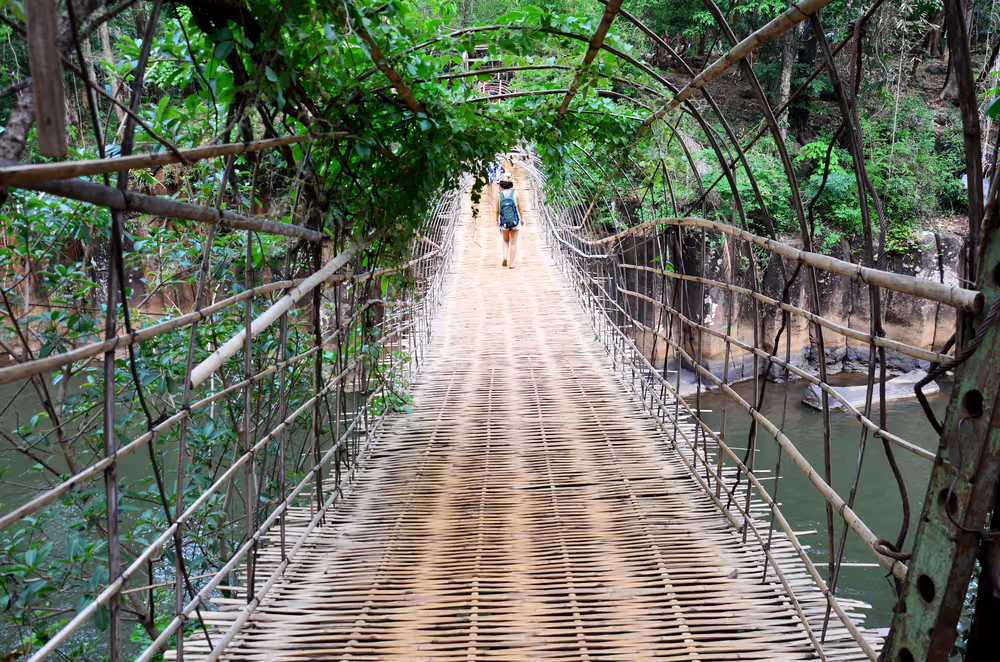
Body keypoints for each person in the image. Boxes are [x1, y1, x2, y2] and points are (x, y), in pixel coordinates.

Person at [496, 176, 523, 269]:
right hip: (515, 220)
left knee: (505, 240)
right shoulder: (515, 193)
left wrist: (497, 220)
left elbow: (497, 210)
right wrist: (522, 219)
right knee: (514, 243)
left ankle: (504, 257)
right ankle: (511, 263)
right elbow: (520, 208)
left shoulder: (499, 195)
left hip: (504, 222)